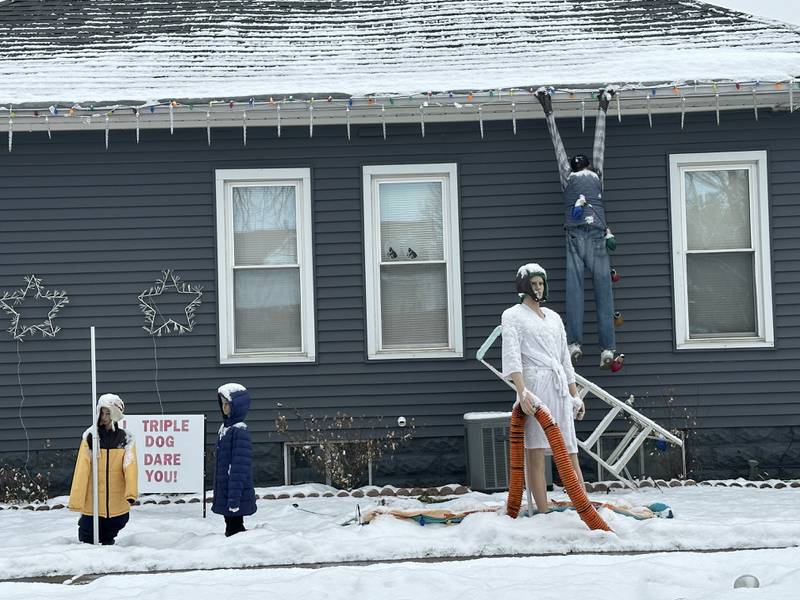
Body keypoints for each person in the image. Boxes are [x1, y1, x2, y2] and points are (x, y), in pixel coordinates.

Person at [536, 86, 619, 369]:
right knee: (603, 292)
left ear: (573, 167)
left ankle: (574, 343)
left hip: (575, 237)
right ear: (588, 166)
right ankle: (607, 348)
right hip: (596, 237)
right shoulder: (596, 175)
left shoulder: (567, 176)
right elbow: (600, 144)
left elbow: (557, 147)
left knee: (575, 292)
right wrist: (603, 108)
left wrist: (548, 110)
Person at [501, 263, 585, 514]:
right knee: (536, 451)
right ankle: (543, 511)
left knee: (569, 449)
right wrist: (522, 392)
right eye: (534, 284)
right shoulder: (513, 315)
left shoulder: (554, 318)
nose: (538, 288)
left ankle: (584, 507)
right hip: (535, 385)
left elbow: (564, 359)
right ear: (524, 286)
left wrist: (575, 395)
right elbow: (512, 356)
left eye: (541, 283)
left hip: (558, 386)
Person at [68, 393, 137, 545]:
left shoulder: (125, 439)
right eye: (102, 413)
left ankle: (107, 552)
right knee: (87, 535)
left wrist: (131, 493)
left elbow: (130, 467)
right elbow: (82, 470)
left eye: (108, 413)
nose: (104, 417)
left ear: (115, 415)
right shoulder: (91, 438)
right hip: (93, 503)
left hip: (117, 502)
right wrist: (76, 500)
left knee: (113, 529)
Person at [212, 383, 257, 537]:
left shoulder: (239, 430)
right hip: (226, 489)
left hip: (235, 490)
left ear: (237, 407)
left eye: (228, 404)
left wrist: (234, 498)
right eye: (222, 404)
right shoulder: (225, 429)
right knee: (230, 526)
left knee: (235, 529)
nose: (224, 407)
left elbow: (239, 467)